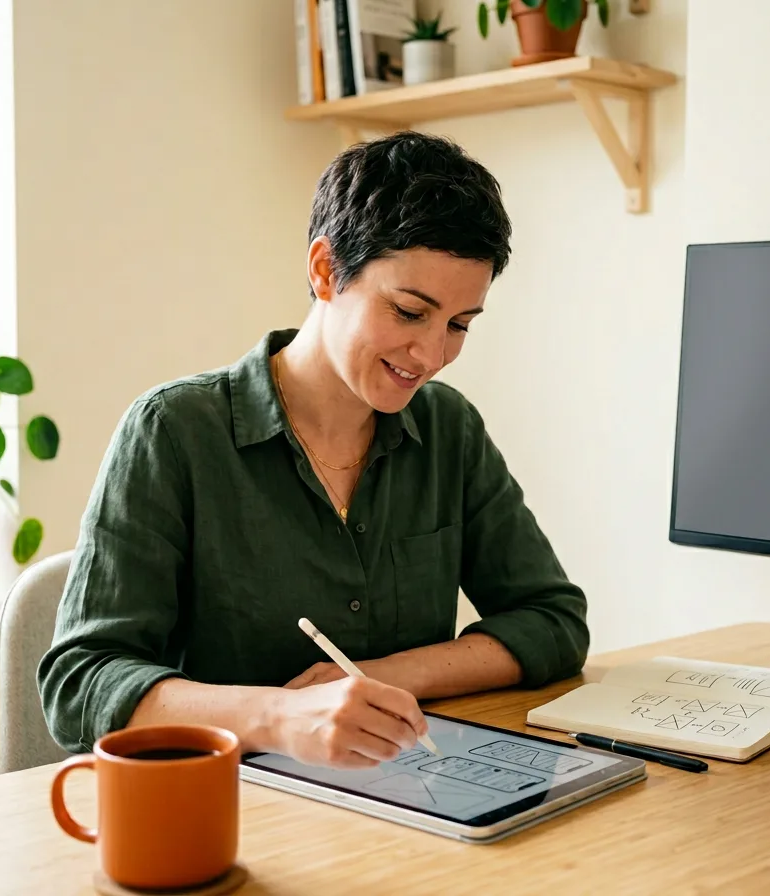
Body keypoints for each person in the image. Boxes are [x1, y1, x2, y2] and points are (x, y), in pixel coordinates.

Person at [37, 132, 589, 770]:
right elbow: (80, 683)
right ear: (325, 271)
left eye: (460, 325)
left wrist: (373, 681)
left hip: (411, 793)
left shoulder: (448, 429)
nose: (433, 356)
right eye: (411, 312)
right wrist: (279, 716)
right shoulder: (175, 431)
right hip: (230, 807)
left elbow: (553, 622)